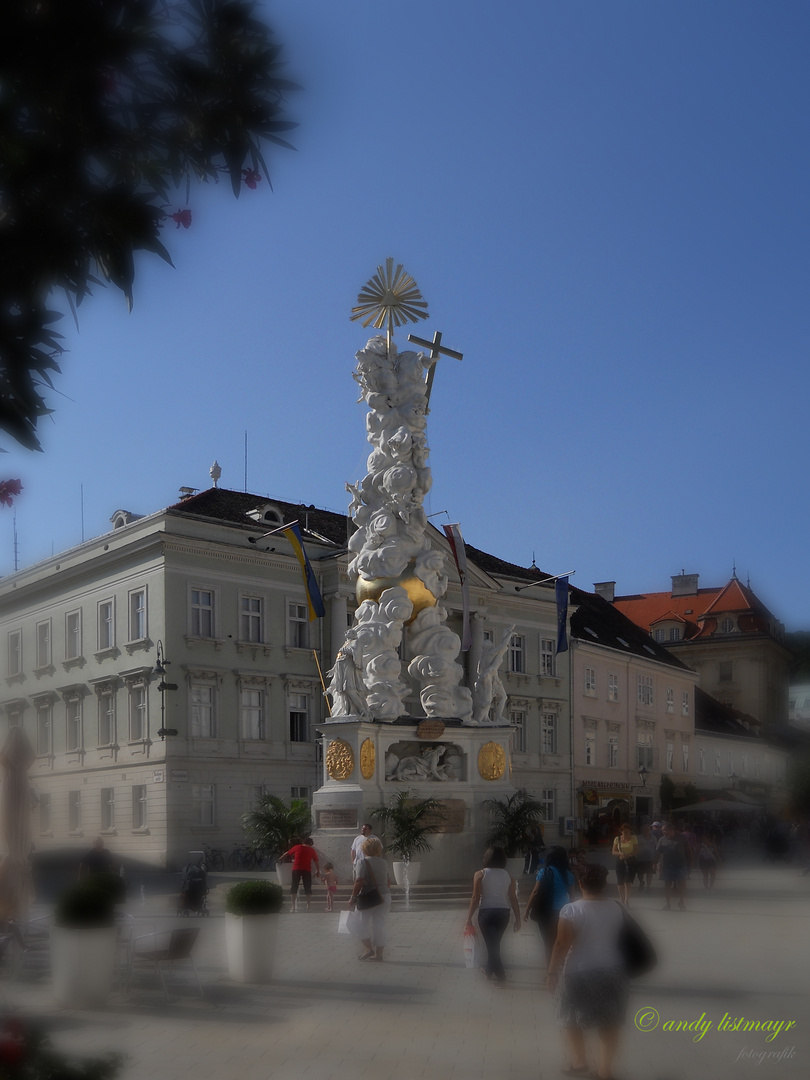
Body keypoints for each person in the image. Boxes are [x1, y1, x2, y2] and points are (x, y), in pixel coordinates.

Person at [547, 862, 628, 1080]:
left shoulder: (571, 910)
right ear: (604, 884)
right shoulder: (617, 908)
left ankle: (580, 1061)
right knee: (609, 1020)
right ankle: (605, 1071)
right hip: (613, 969)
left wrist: (552, 972)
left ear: (580, 883)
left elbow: (561, 945)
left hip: (578, 972)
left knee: (570, 1017)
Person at [465, 846, 521, 986]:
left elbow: (475, 897)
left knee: (492, 945)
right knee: (494, 943)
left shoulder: (480, 874)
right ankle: (489, 970)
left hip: (487, 912)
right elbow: (513, 898)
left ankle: (501, 974)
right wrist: (518, 919)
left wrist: (469, 918)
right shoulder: (508, 876)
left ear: (486, 858)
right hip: (503, 913)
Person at [524, 846, 575, 964]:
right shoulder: (568, 874)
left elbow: (535, 892)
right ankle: (560, 966)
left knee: (548, 942)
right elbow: (572, 896)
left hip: (546, 911)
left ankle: (550, 972)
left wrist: (527, 909)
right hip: (564, 912)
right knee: (560, 941)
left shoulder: (544, 872)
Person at [347, 837, 391, 961]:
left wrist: (353, 897)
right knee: (380, 925)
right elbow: (388, 880)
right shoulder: (383, 862)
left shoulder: (362, 862)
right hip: (385, 896)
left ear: (364, 848)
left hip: (368, 896)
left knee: (357, 923)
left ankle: (368, 948)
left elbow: (359, 880)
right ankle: (379, 954)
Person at [655, 821, 691, 910]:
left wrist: (691, 862)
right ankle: (668, 904)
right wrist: (654, 862)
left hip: (680, 865)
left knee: (682, 885)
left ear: (671, 830)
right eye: (663, 831)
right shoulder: (662, 839)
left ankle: (681, 903)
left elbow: (689, 850)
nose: (663, 833)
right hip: (667, 865)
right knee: (667, 885)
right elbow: (658, 852)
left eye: (665, 831)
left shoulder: (682, 838)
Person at [280, 836, 320, 912]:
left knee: (294, 886)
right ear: (310, 844)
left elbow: (287, 853)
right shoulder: (312, 850)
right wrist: (317, 870)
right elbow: (316, 861)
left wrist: (280, 858)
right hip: (307, 870)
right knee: (307, 887)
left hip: (296, 869)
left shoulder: (297, 847)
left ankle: (293, 906)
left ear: (303, 842)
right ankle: (308, 905)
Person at [611, 823, 638, 906]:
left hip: (630, 861)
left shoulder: (633, 838)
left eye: (628, 832)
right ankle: (621, 899)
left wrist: (629, 855)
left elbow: (636, 851)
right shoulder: (617, 839)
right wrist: (620, 854)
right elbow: (613, 851)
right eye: (625, 832)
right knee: (620, 882)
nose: (627, 833)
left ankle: (627, 900)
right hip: (620, 861)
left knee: (628, 881)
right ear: (621, 832)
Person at [635, 825, 657, 894]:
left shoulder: (653, 838)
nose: (646, 831)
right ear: (642, 831)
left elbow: (656, 847)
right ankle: (641, 882)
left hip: (650, 858)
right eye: (645, 830)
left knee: (649, 873)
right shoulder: (638, 838)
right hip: (640, 858)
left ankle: (648, 887)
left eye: (647, 830)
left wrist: (656, 859)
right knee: (640, 874)